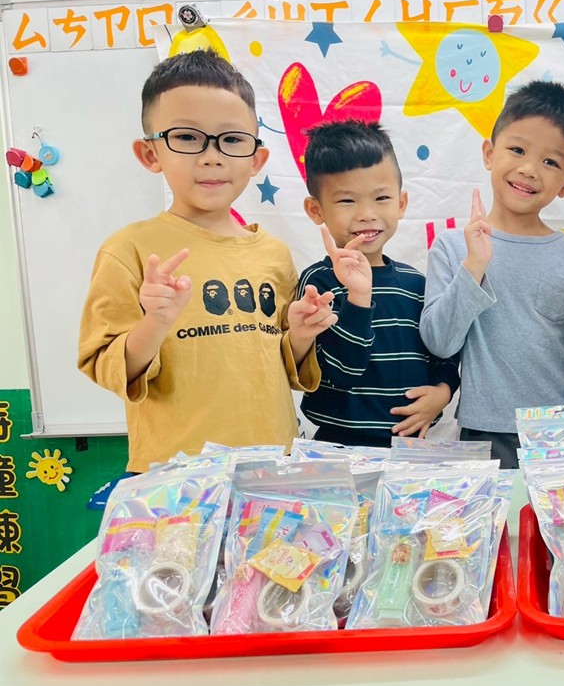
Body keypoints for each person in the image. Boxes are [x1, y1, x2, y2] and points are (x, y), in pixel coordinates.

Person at [78, 49, 336, 472]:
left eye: (232, 139)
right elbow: (109, 367)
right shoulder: (129, 249)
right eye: (186, 137)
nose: (211, 156)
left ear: (256, 159)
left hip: (272, 466)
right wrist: (155, 321)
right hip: (175, 475)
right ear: (150, 154)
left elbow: (285, 366)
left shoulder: (273, 253)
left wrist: (303, 334)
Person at [420, 81, 564, 468]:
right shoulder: (453, 247)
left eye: (550, 162)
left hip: (558, 435)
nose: (529, 169)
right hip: (483, 430)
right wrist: (474, 266)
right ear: (490, 153)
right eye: (517, 150)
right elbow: (440, 342)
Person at [298, 120, 459, 447]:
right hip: (337, 445)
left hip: (411, 444)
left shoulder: (416, 283)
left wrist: (443, 392)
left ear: (401, 204)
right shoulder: (319, 283)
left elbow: (443, 351)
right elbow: (341, 371)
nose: (367, 214)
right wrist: (359, 297)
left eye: (381, 197)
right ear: (316, 209)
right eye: (347, 201)